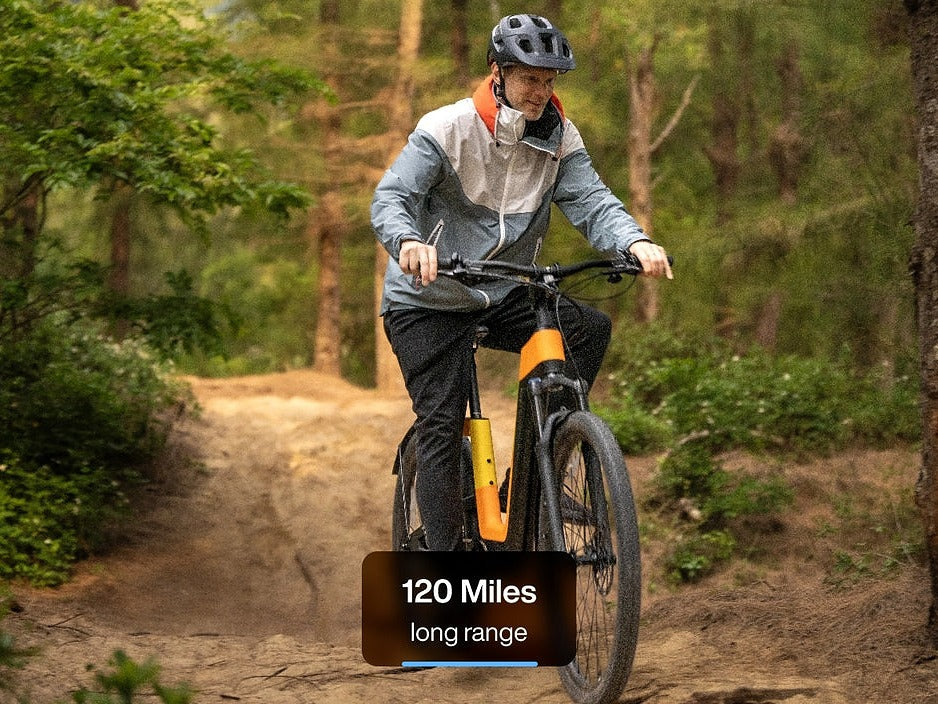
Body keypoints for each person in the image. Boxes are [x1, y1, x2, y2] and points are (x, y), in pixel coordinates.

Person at [372, 13, 672, 550]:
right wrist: (409, 242)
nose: (540, 91)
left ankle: (536, 475)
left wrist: (634, 241)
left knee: (586, 329)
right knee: (441, 427)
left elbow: (592, 201)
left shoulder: (559, 138)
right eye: (529, 78)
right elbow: (392, 198)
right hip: (426, 297)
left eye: (549, 80)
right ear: (498, 73)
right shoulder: (447, 129)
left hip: (501, 290)